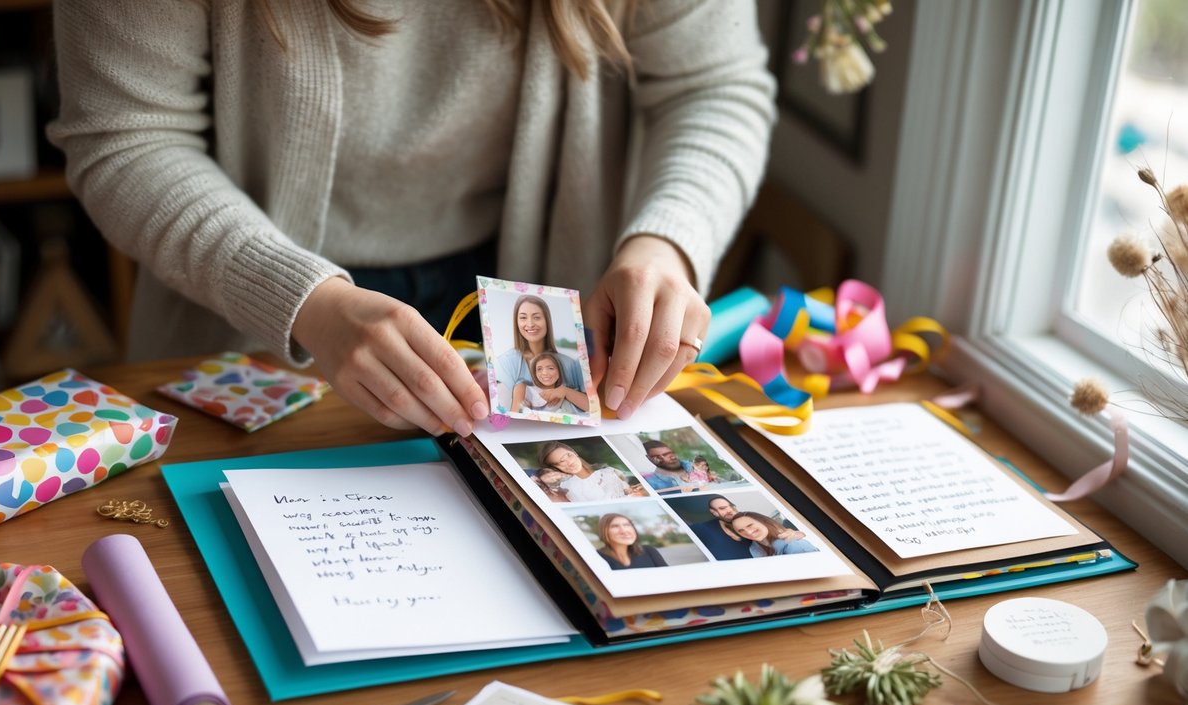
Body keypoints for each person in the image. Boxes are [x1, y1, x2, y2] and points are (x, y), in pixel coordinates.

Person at [48, 1, 775, 438]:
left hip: (532, 294)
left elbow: (713, 86)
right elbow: (126, 137)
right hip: (252, 315)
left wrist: (665, 242)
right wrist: (306, 302)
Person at [538, 440, 642, 503]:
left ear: (574, 452)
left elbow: (629, 491)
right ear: (555, 468)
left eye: (568, 455)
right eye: (560, 462)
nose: (569, 462)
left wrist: (634, 491)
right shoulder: (568, 488)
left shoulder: (609, 471)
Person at [511, 350, 588, 415]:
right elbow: (515, 415)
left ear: (559, 371)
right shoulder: (525, 389)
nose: (545, 373)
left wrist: (565, 391)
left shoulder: (568, 391)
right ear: (535, 374)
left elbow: (592, 408)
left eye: (550, 368)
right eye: (539, 369)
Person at [688, 495, 754, 561]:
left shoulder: (751, 527)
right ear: (714, 512)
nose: (730, 510)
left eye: (731, 506)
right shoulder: (701, 528)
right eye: (723, 508)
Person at [595, 513, 668, 571]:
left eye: (627, 525)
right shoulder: (597, 557)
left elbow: (669, 576)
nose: (624, 531)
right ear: (604, 531)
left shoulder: (648, 551)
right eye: (615, 526)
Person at [729, 512, 819, 557]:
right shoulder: (753, 547)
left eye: (750, 525)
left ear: (764, 522)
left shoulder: (793, 543)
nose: (748, 532)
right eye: (741, 531)